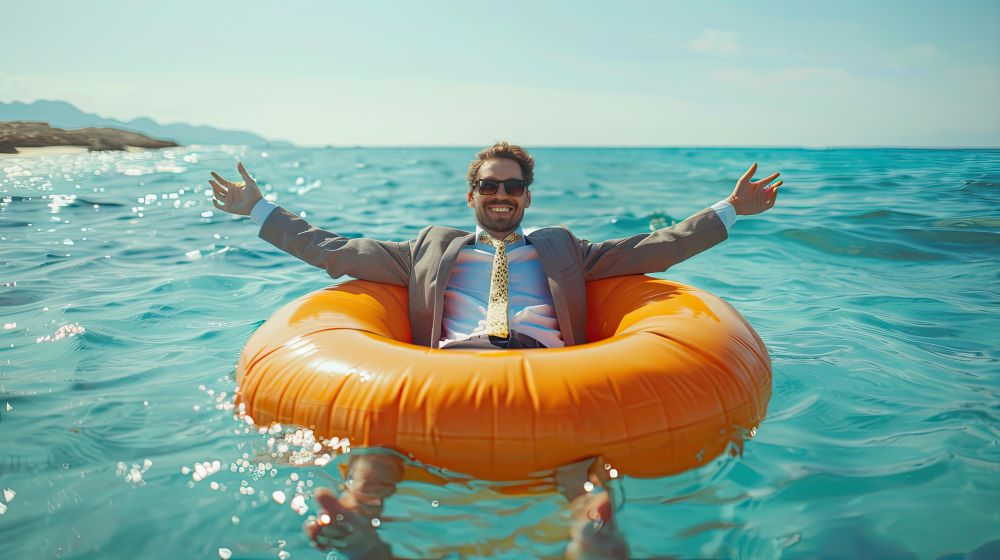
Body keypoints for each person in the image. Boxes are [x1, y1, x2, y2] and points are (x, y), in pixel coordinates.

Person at [209, 142, 781, 559]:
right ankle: (359, 525)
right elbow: (333, 250)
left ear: (527, 197)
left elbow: (656, 248)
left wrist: (730, 209)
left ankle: (591, 532)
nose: (501, 195)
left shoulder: (565, 250)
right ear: (472, 194)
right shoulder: (427, 250)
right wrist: (258, 209)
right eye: (490, 185)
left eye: (512, 186)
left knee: (582, 462)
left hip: (554, 368)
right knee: (379, 445)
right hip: (450, 368)